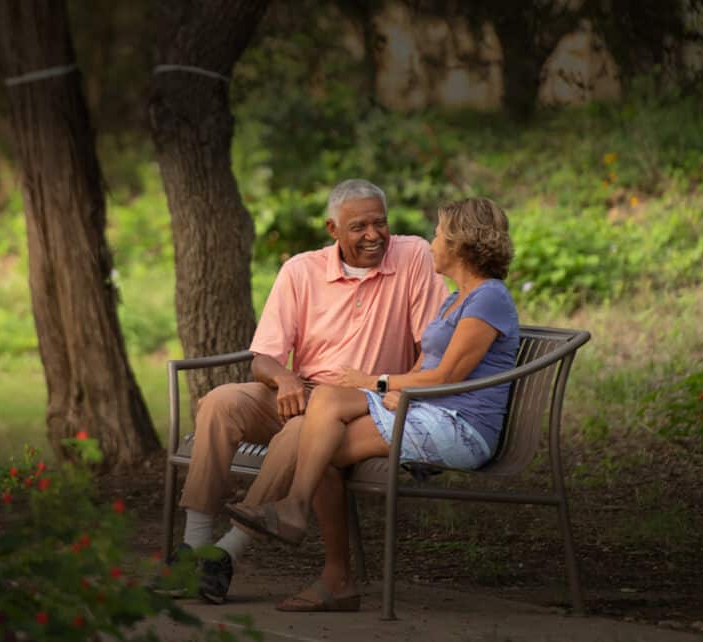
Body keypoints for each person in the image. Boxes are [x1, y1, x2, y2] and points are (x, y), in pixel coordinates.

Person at [225, 197, 519, 611]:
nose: (432, 243)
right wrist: (397, 392)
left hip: (461, 427)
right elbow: (425, 365)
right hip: (430, 412)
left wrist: (375, 383)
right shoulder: (456, 299)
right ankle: (319, 551)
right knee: (326, 416)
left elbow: (447, 376)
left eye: (438, 235)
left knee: (324, 440)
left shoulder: (488, 298)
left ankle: (311, 537)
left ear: (460, 244)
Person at [168, 179, 447, 604]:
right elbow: (263, 357)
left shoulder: (413, 257)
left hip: (358, 403)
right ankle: (195, 543)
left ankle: (225, 554)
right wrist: (285, 379)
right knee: (221, 402)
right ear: (332, 229)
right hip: (301, 391)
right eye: (359, 227)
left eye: (380, 223)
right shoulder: (300, 270)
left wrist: (398, 390)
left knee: (300, 432)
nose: (373, 235)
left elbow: (433, 346)